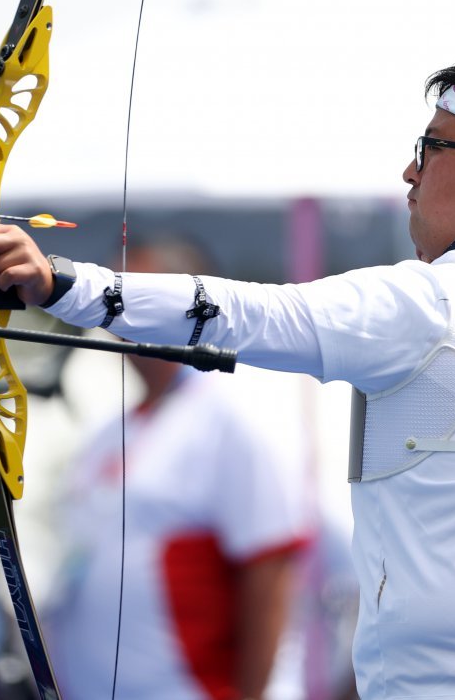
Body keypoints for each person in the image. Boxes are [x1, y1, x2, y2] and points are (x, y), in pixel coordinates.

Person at [0, 52, 455, 700]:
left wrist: (63, 283)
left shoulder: (423, 304)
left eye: (430, 149)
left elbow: (241, 313)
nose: (409, 172)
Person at [45, 239, 310, 700]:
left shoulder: (234, 416)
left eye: (140, 303)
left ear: (188, 307)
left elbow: (270, 571)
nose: (122, 321)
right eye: (115, 304)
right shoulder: (111, 429)